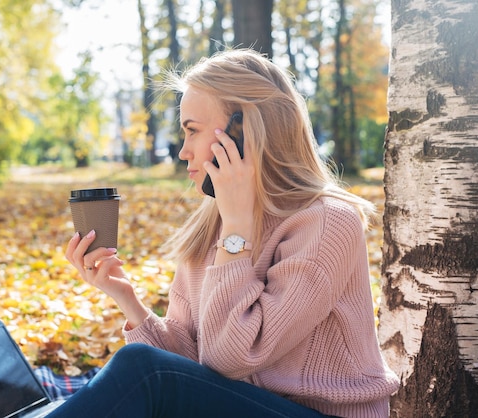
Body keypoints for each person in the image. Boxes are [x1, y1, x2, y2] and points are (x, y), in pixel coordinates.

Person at [53, 48, 400, 418]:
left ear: (242, 133)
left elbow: (231, 358)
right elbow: (192, 367)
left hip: (318, 414)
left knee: (142, 369)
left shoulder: (327, 222)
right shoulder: (213, 225)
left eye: (193, 131)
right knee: (139, 368)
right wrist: (126, 299)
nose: (183, 151)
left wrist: (237, 231)